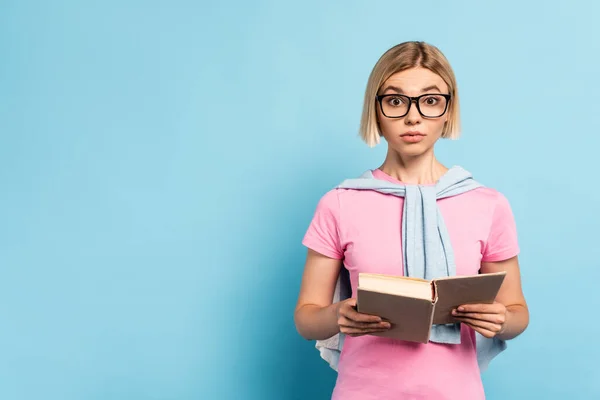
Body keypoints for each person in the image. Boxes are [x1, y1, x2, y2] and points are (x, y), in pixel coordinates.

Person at [293, 41, 529, 400]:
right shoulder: (340, 203)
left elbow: (517, 313)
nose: (413, 117)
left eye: (431, 101)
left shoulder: (487, 204)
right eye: (395, 100)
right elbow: (306, 318)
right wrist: (340, 315)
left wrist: (501, 320)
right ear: (376, 110)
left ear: (449, 111)